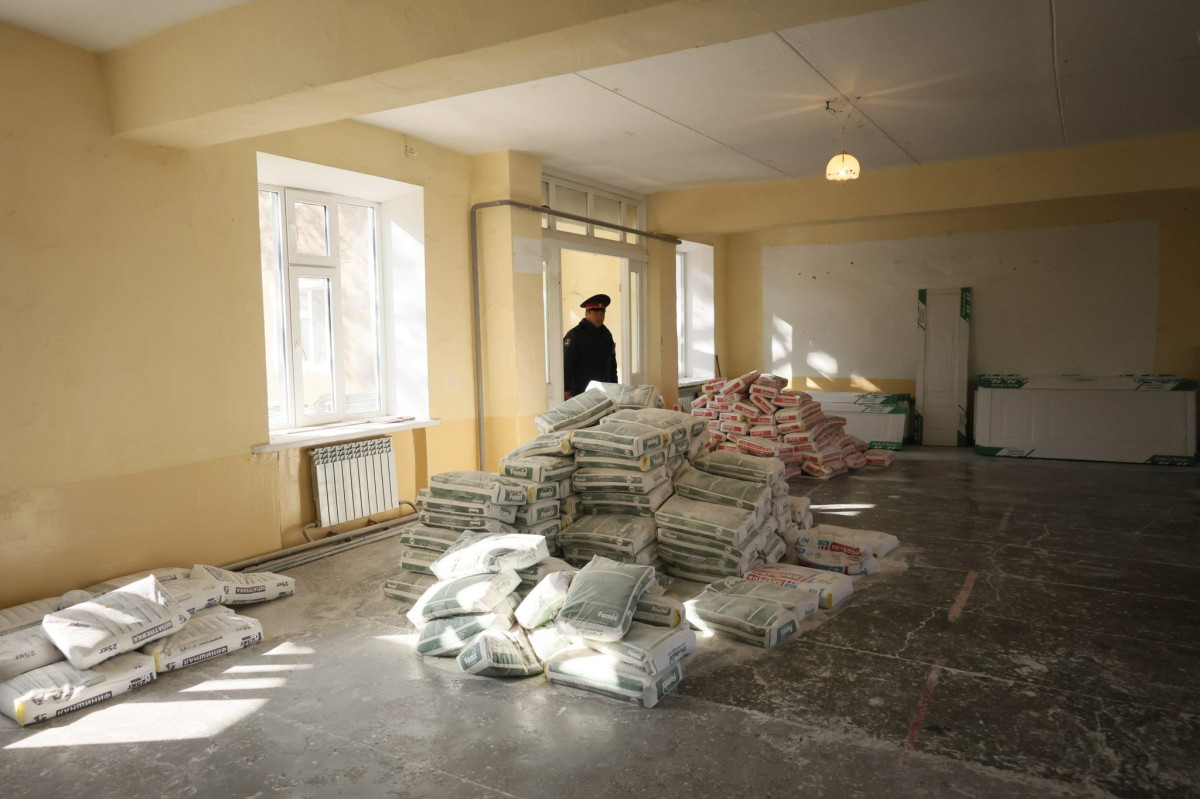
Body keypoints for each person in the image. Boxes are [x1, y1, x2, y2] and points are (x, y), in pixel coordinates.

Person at [562, 293, 617, 400]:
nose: (600, 317)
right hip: (581, 391)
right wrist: (566, 389)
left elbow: (612, 364)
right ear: (587, 314)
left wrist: (615, 387)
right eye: (596, 313)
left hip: (604, 391)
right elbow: (567, 364)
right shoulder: (575, 335)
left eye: (602, 313)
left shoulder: (606, 334)